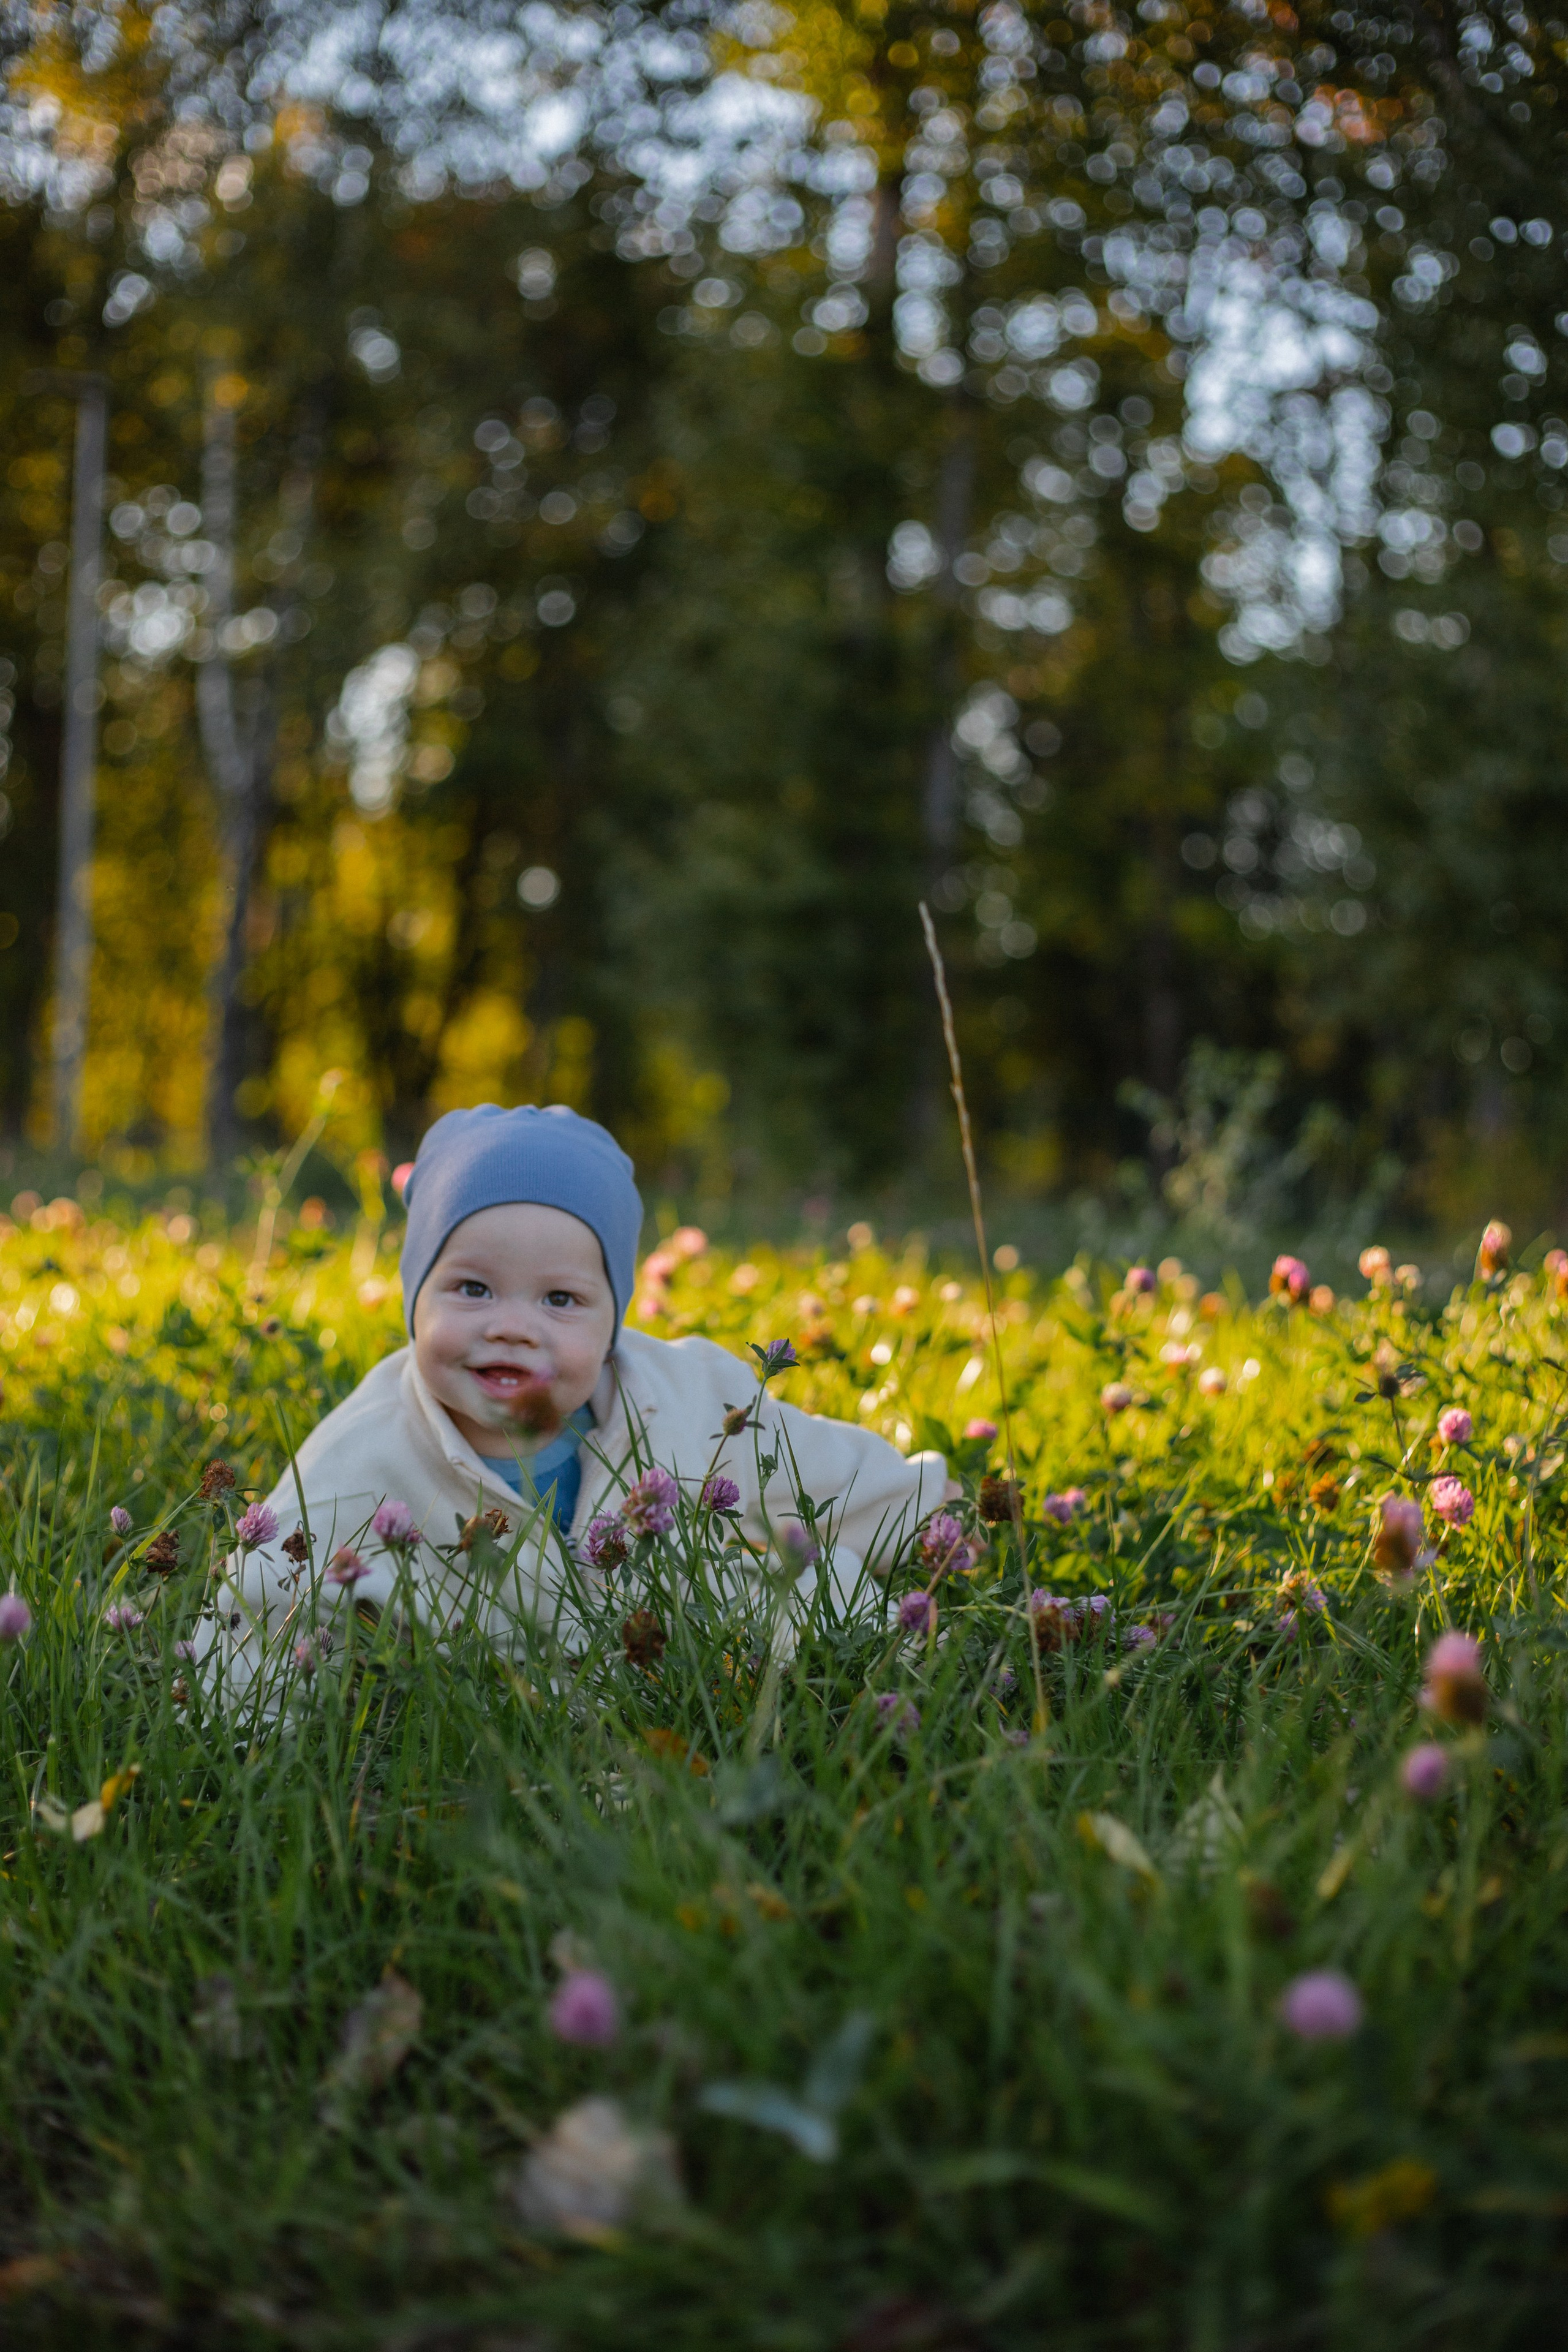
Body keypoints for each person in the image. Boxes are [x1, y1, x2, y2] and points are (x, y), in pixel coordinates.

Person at [205, 1104, 948, 1698]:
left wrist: (928, 1521)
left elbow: (819, 1471)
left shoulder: (684, 1391)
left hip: (690, 1656)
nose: (512, 1326)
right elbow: (269, 1597)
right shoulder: (366, 1450)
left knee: (797, 1593)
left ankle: (940, 1663)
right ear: (415, 1299)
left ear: (612, 1320)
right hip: (492, 1700)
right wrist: (242, 1712)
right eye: (472, 1288)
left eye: (560, 1299)